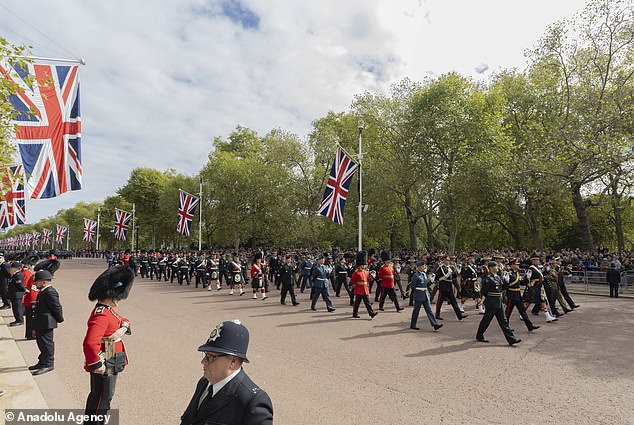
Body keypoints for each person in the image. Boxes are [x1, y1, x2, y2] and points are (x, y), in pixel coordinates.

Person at [180, 320, 273, 425]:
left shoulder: (251, 401)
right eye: (205, 355)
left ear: (233, 361)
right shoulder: (204, 383)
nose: (203, 361)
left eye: (211, 357)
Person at [83, 266, 134, 424]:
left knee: (103, 395)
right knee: (102, 397)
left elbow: (123, 319)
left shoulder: (107, 310)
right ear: (111, 296)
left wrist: (123, 328)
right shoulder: (103, 314)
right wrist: (98, 363)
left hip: (111, 354)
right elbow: (90, 342)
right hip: (106, 357)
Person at [476, 261, 521, 346]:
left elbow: (502, 289)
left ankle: (511, 339)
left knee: (503, 321)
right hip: (491, 302)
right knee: (486, 320)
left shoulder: (498, 277)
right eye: (496, 266)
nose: (498, 268)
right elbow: (484, 291)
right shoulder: (488, 279)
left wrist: (506, 282)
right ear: (491, 268)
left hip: (498, 301)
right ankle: (479, 335)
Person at [30, 269, 64, 375]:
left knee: (46, 343)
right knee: (41, 342)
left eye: (37, 281)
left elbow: (56, 307)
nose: (35, 283)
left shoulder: (50, 292)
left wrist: (59, 318)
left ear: (44, 282)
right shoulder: (44, 291)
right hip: (41, 321)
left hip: (46, 322)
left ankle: (48, 364)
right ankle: (42, 361)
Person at [504, 258, 539, 332]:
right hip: (511, 295)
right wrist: (506, 282)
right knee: (508, 312)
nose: (518, 265)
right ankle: (505, 326)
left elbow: (522, 283)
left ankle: (530, 326)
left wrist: (527, 278)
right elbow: (506, 286)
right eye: (516, 264)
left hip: (517, 295)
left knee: (523, 311)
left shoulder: (517, 273)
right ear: (512, 265)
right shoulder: (509, 274)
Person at [410, 260, 442, 331]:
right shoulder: (415, 275)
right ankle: (413, 324)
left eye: (424, 266)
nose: (424, 267)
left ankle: (434, 324)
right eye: (422, 266)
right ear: (418, 267)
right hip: (419, 294)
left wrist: (431, 280)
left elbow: (426, 284)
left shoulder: (424, 274)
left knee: (429, 310)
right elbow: (413, 286)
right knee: (416, 310)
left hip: (425, 294)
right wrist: (419, 289)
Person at [434, 255, 467, 321]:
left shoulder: (449, 268)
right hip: (443, 285)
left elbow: (453, 277)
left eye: (448, 260)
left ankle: (459, 315)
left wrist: (457, 271)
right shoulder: (441, 268)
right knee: (440, 302)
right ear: (443, 260)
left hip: (449, 285)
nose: (448, 261)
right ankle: (437, 315)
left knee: (454, 301)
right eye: (447, 260)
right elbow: (437, 278)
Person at [350, 251, 378, 319]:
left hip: (365, 289)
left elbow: (369, 280)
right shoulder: (356, 272)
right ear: (360, 265)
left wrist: (372, 276)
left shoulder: (366, 272)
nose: (364, 266)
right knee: (357, 303)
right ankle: (355, 313)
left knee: (367, 302)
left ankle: (371, 313)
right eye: (363, 265)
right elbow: (352, 281)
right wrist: (355, 288)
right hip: (359, 289)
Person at [8, 261, 25, 326]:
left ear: (17, 268)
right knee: (15, 308)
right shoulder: (15, 274)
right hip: (14, 294)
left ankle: (19, 320)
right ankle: (17, 319)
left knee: (17, 308)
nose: (11, 269)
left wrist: (24, 290)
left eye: (12, 267)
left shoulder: (18, 275)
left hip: (17, 294)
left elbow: (20, 285)